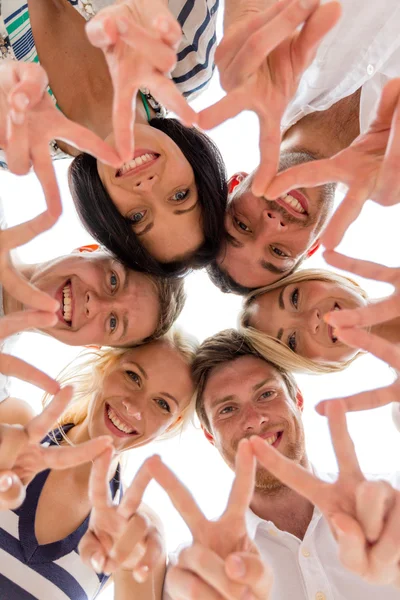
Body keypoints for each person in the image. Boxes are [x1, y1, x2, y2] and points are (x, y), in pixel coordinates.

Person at [163, 328, 400, 599]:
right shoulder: (199, 574)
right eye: (228, 409)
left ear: (297, 400)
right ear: (210, 436)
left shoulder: (392, 504)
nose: (254, 419)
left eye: (266, 394)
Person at [0, 0, 228, 276]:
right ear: (197, 167)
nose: (147, 187)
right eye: (180, 196)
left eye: (137, 217)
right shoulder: (187, 57)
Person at [204, 0, 400, 293]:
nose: (272, 224)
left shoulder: (264, 56)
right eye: (278, 252)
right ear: (312, 248)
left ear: (235, 184)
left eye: (243, 225)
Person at [0, 328, 197, 599]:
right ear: (107, 365)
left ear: (171, 423)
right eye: (133, 376)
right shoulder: (13, 423)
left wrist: (129, 569)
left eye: (162, 404)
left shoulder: (136, 530)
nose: (134, 407)